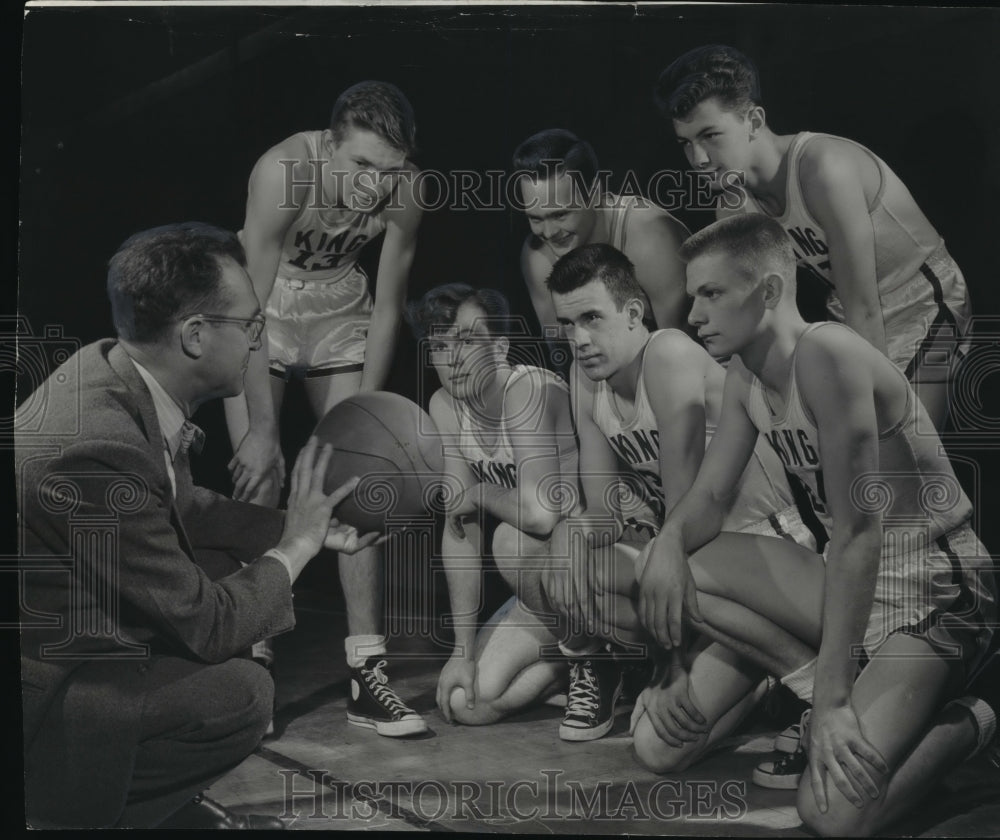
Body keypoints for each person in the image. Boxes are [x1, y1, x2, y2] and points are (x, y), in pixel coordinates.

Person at [16, 223, 381, 829]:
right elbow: (210, 626)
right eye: (252, 327)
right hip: (47, 696)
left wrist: (297, 527)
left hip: (78, 638)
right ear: (194, 336)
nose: (260, 343)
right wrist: (298, 545)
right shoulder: (95, 449)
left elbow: (183, 505)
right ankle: (68, 814)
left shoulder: (116, 374)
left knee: (215, 562)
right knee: (241, 694)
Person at [642, 213, 996, 836]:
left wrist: (835, 706)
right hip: (850, 578)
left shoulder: (828, 354)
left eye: (712, 293)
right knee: (672, 567)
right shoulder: (745, 374)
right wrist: (668, 541)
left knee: (833, 814)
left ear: (770, 290)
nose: (693, 314)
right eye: (693, 295)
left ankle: (981, 716)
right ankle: (816, 684)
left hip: (937, 587)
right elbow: (710, 496)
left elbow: (860, 531)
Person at [541, 242, 816, 745]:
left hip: (764, 550)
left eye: (591, 318)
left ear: (632, 313)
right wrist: (569, 533)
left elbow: (680, 520)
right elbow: (604, 511)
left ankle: (809, 681)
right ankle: (753, 678)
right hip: (698, 572)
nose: (578, 339)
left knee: (657, 742)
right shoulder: (585, 377)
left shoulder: (667, 354)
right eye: (567, 324)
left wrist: (671, 669)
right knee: (575, 567)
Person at [222, 80, 426, 732]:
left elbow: (389, 307)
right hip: (265, 307)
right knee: (260, 479)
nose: (374, 185)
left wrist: (365, 423)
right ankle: (252, 664)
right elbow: (248, 308)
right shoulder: (283, 171)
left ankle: (367, 673)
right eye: (361, 165)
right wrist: (261, 429)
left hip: (341, 307)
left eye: (387, 171)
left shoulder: (407, 189)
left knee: (357, 483)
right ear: (330, 143)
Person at [655, 44, 972, 429]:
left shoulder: (824, 167)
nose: (699, 159)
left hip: (922, 299)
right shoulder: (733, 206)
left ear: (753, 121)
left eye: (710, 135)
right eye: (686, 142)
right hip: (844, 315)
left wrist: (864, 415)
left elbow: (864, 305)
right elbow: (754, 317)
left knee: (903, 438)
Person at [405, 283, 580, 727]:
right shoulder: (445, 405)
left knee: (510, 540)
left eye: (466, 341)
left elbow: (539, 515)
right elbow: (458, 527)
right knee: (465, 702)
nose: (452, 359)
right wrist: (461, 651)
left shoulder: (529, 390)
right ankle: (579, 668)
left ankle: (598, 656)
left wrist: (481, 491)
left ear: (499, 348)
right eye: (439, 346)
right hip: (542, 594)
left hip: (590, 570)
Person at [512, 129, 691, 368]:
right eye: (535, 219)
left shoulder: (650, 239)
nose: (549, 232)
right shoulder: (537, 256)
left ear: (595, 194)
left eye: (560, 215)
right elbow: (565, 357)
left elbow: (681, 356)